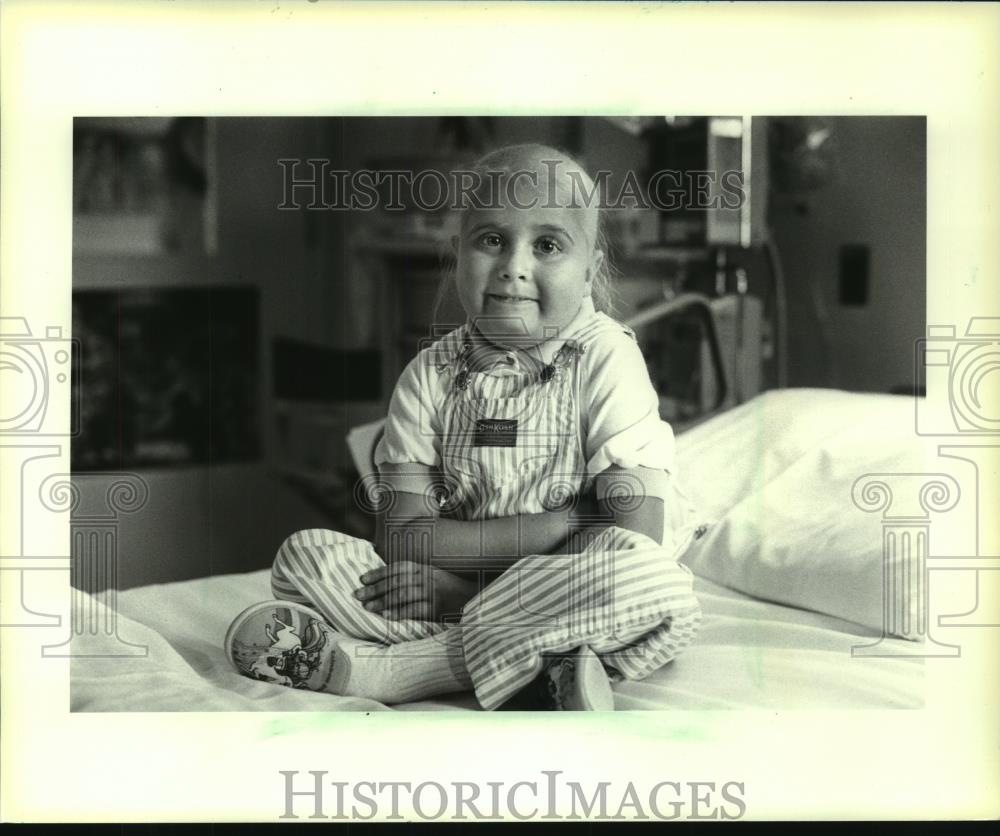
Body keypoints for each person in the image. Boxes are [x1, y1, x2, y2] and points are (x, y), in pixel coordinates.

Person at [226, 143, 704, 710]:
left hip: (560, 589)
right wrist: (571, 518)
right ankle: (537, 667)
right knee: (304, 558)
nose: (514, 266)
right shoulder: (430, 373)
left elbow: (635, 530)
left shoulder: (605, 359)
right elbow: (402, 537)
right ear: (458, 254)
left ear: (589, 272)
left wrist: (462, 591)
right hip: (510, 597)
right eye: (491, 240)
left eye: (547, 245)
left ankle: (415, 667)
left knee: (653, 581)